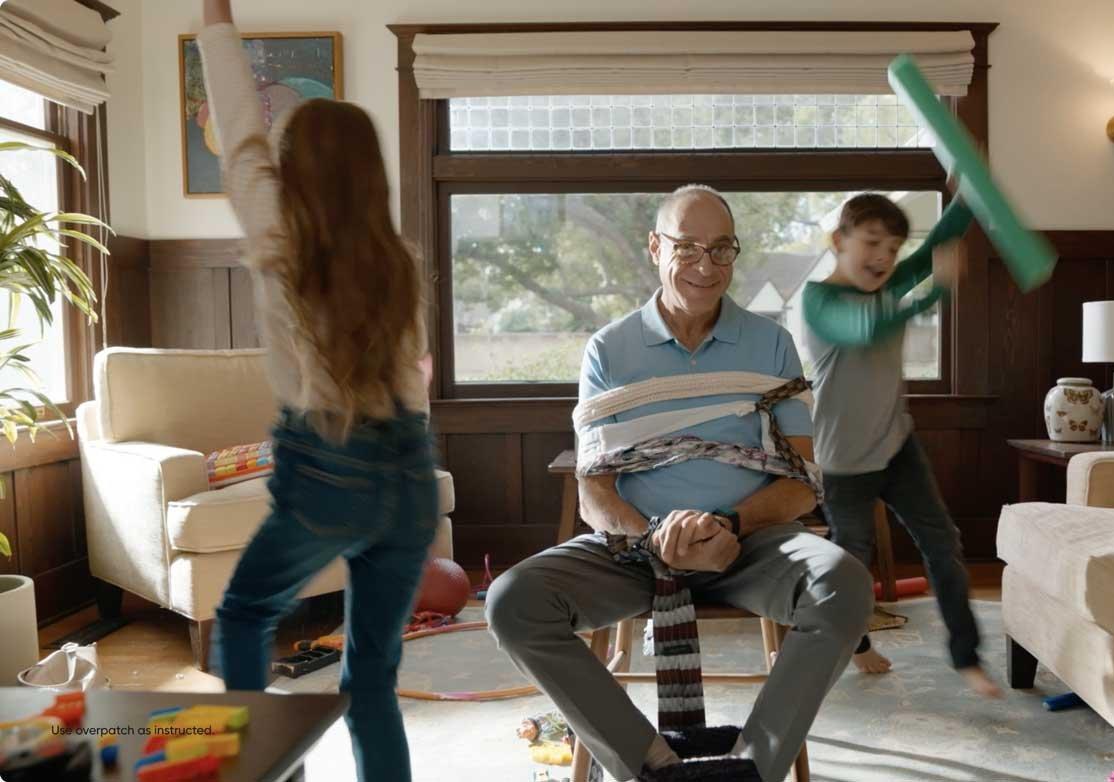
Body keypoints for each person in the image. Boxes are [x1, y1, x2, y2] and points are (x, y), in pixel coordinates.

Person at [487, 185, 872, 782]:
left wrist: (729, 525)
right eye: (687, 247)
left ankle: (750, 770)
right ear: (654, 247)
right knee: (512, 600)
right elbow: (595, 493)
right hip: (635, 552)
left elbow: (803, 483)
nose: (705, 266)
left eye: (722, 249)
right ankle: (655, 768)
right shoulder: (609, 350)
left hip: (751, 544)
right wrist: (657, 539)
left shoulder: (771, 344)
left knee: (843, 584)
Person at [198, 2, 437, 780]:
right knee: (371, 678)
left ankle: (263, 770)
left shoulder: (279, 231)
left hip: (329, 473)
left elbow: (237, 126)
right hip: (408, 478)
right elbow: (415, 386)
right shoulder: (396, 260)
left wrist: (216, 17)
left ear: (290, 166)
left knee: (241, 616)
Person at [801, 192, 1001, 697]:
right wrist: (936, 291)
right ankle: (854, 643)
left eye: (893, 248)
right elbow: (866, 329)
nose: (884, 258)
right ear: (838, 241)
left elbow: (939, 239)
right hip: (844, 459)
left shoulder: (889, 283)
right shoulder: (819, 300)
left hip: (897, 445)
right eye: (872, 243)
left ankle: (966, 656)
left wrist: (971, 192)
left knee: (943, 544)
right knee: (849, 563)